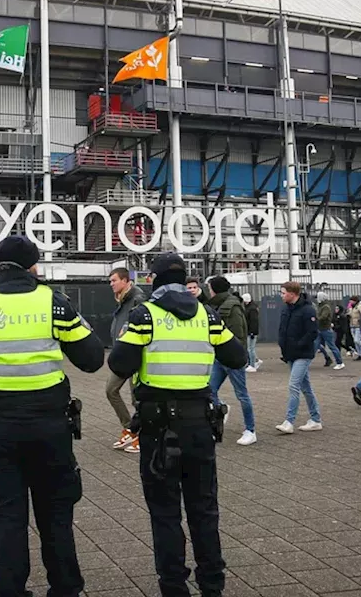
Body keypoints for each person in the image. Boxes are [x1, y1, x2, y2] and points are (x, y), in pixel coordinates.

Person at [0, 236, 104, 597]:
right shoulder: (55, 304)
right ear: (33, 267)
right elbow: (91, 359)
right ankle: (65, 590)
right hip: (51, 429)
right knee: (57, 518)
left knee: (8, 519)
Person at [107, 253, 246, 597]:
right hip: (199, 424)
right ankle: (212, 585)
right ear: (186, 280)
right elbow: (237, 357)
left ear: (153, 279)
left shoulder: (144, 315)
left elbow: (119, 363)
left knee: (165, 512)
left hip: (158, 429)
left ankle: (174, 587)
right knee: (204, 510)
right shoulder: (206, 314)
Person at [205, 276, 256, 446]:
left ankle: (251, 430)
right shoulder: (218, 304)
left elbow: (238, 335)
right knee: (210, 390)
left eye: (209, 287)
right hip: (220, 357)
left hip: (232, 358)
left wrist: (238, 356)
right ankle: (221, 410)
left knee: (242, 394)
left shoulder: (231, 306)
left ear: (214, 289)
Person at [106, 267, 146, 453]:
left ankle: (142, 436)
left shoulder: (137, 299)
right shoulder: (122, 300)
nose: (111, 284)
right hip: (122, 356)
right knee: (111, 390)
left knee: (136, 398)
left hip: (134, 356)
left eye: (114, 280)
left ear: (125, 280)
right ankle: (130, 428)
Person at [277, 282, 323, 434]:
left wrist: (298, 345)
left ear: (292, 293)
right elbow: (283, 329)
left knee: (293, 385)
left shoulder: (307, 310)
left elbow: (312, 333)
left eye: (283, 293)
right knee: (305, 387)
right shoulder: (286, 308)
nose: (281, 295)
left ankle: (289, 421)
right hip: (290, 353)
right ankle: (316, 419)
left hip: (303, 354)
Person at [313, 292, 345, 370]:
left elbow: (323, 317)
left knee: (332, 346)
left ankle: (340, 362)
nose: (316, 299)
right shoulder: (320, 306)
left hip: (326, 329)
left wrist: (316, 318)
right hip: (320, 328)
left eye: (317, 297)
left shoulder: (326, 307)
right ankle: (306, 362)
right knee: (315, 345)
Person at [244, 292, 263, 371]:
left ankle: (252, 365)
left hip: (250, 331)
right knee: (251, 348)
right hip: (251, 331)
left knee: (250, 349)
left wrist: (252, 332)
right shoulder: (252, 308)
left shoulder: (251, 309)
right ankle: (255, 361)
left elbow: (254, 321)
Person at [348, 295, 361, 360]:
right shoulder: (351, 307)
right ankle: (360, 354)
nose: (350, 301)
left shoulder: (360, 306)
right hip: (352, 325)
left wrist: (360, 320)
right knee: (355, 341)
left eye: (351, 300)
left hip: (358, 325)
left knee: (357, 340)